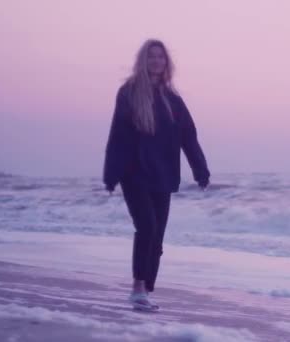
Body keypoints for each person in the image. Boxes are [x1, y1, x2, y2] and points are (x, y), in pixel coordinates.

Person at [102, 39, 210, 312]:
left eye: (161, 57)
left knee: (157, 236)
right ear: (143, 60)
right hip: (134, 174)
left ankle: (146, 288)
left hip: (163, 176)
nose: (156, 61)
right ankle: (138, 287)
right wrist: (111, 173)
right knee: (147, 228)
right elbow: (118, 135)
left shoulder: (173, 100)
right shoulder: (128, 93)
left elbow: (189, 136)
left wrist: (200, 169)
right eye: (152, 57)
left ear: (166, 62)